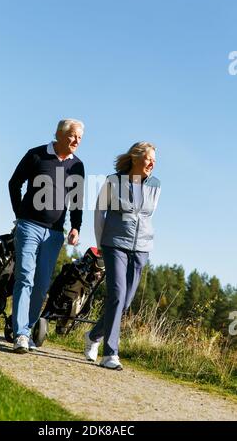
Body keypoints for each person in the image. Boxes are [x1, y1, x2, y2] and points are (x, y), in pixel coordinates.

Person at [9, 119, 85, 353]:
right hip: (29, 226)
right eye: (72, 136)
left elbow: (77, 201)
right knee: (24, 277)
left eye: (80, 138)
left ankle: (28, 327)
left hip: (54, 234)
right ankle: (20, 334)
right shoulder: (37, 155)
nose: (76, 141)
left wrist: (75, 227)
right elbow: (14, 183)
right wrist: (20, 214)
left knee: (41, 285)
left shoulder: (77, 165)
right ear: (60, 134)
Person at [84, 142, 161, 370]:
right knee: (117, 294)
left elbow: (149, 213)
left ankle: (93, 336)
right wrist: (100, 246)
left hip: (142, 248)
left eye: (154, 160)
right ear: (136, 158)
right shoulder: (113, 181)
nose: (152, 163)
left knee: (125, 302)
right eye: (149, 159)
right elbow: (100, 212)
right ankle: (110, 354)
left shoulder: (156, 185)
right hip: (114, 244)